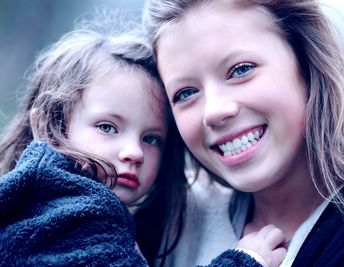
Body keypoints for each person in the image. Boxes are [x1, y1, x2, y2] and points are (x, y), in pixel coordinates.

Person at [0, 11, 286, 267]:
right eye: (107, 127)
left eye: (151, 139)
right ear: (48, 125)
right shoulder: (74, 215)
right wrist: (246, 261)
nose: (133, 152)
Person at [142, 0, 344, 266]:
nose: (214, 111)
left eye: (241, 70)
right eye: (185, 93)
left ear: (305, 64)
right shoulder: (164, 229)